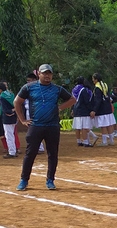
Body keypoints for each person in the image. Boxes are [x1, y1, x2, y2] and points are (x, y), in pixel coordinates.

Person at [15, 63, 74, 191]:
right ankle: (24, 180)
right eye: (44, 73)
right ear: (39, 74)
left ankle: (50, 180)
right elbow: (17, 102)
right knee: (30, 154)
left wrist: (59, 108)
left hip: (52, 126)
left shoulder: (57, 89)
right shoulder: (29, 87)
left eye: (49, 73)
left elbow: (72, 99)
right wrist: (22, 120)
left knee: (53, 154)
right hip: (36, 125)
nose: (47, 76)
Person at [0, 82, 19, 158]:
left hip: (7, 117)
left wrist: (8, 112)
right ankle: (14, 150)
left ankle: (12, 152)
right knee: (12, 134)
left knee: (8, 135)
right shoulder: (11, 94)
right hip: (14, 116)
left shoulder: (2, 96)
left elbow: (4, 109)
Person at [91, 75, 115, 145]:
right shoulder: (105, 85)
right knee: (109, 124)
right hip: (108, 107)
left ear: (96, 79)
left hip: (102, 109)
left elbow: (98, 100)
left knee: (103, 125)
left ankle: (104, 141)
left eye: (93, 79)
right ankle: (111, 140)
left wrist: (94, 110)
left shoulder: (97, 88)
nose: (93, 80)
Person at [72, 77, 95, 147]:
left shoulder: (74, 90)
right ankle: (86, 142)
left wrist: (72, 109)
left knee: (77, 127)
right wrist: (91, 109)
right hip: (83, 110)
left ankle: (78, 141)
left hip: (76, 109)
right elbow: (86, 101)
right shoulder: (84, 90)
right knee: (84, 126)